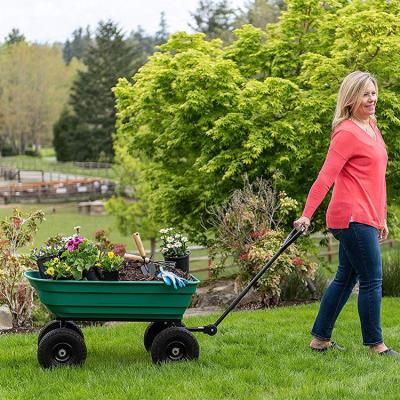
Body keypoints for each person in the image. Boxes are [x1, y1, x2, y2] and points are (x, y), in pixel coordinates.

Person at [294, 71, 398, 357]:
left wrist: (382, 216)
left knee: (346, 277)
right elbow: (326, 176)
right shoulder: (346, 132)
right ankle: (376, 345)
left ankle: (320, 340)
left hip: (366, 214)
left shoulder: (372, 127)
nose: (372, 98)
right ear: (351, 99)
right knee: (372, 279)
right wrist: (306, 214)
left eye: (374, 92)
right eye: (366, 94)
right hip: (351, 216)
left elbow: (376, 179)